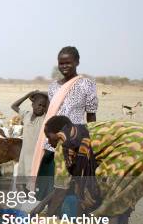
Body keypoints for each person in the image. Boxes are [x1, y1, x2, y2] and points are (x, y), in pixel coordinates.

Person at [30, 47, 98, 198]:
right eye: (61, 63)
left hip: (74, 142)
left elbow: (91, 116)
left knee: (69, 189)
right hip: (52, 142)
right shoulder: (53, 86)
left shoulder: (87, 84)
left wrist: (90, 141)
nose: (64, 66)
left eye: (68, 63)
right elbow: (50, 114)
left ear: (77, 62)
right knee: (46, 187)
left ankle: (66, 218)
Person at [10, 90, 49, 181]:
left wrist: (44, 95)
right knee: (22, 182)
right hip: (24, 155)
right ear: (32, 104)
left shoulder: (44, 119)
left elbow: (51, 106)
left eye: (44, 106)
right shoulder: (26, 114)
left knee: (32, 183)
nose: (41, 108)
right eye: (39, 105)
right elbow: (14, 106)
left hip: (35, 156)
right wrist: (28, 95)